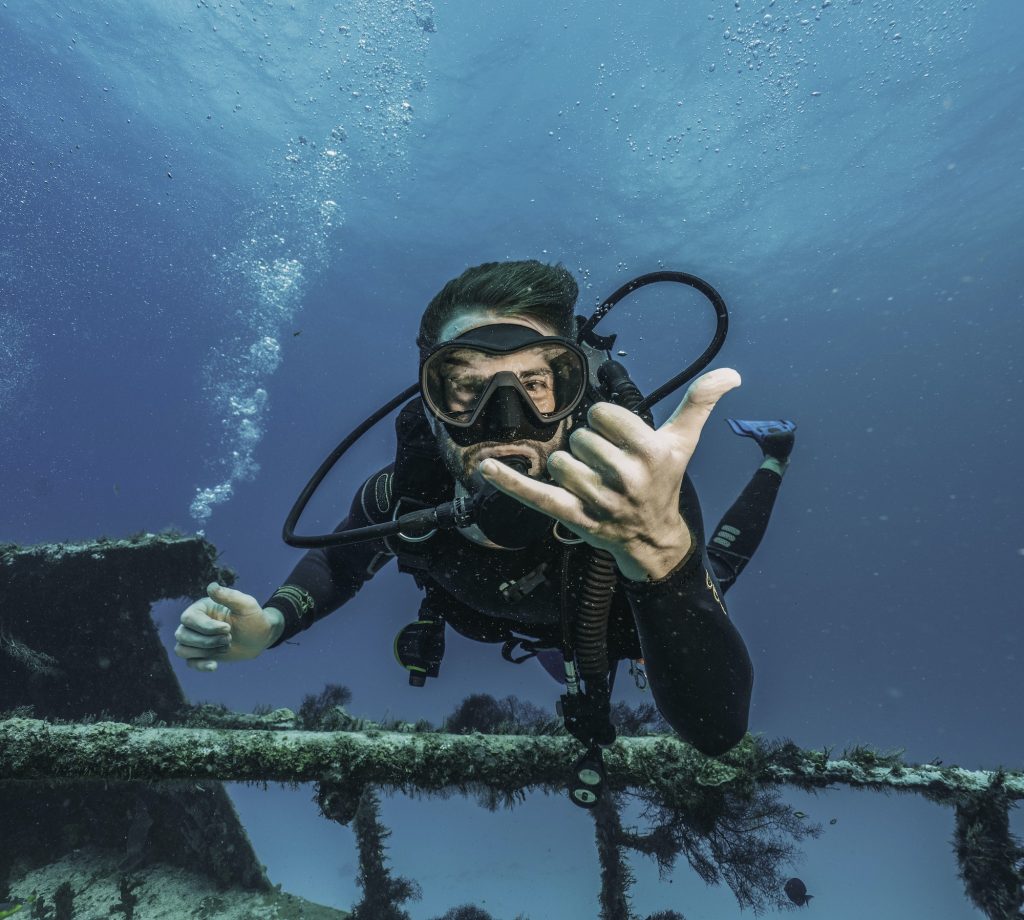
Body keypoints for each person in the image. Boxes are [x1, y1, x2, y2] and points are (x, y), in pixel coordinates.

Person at [174, 261, 795, 758]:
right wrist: (271, 626)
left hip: (622, 624)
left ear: (574, 391)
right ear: (431, 396)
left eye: (534, 385)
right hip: (537, 634)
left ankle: (775, 455)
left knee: (716, 564)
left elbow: (717, 732)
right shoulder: (404, 499)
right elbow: (338, 566)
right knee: (562, 655)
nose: (504, 421)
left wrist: (660, 553)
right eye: (468, 386)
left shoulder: (632, 499)